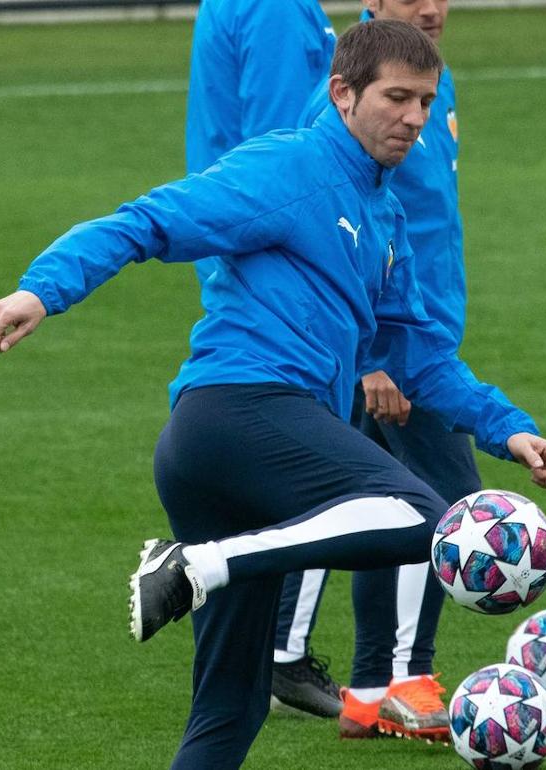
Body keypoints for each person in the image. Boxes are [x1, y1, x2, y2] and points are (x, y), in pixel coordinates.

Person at [0, 21, 546, 770]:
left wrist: (507, 428)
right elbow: (149, 221)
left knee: (231, 707)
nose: (414, 119)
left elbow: (416, 354)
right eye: (396, 98)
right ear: (342, 94)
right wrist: (42, 289)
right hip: (238, 415)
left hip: (235, 453)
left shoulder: (384, 216)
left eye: (425, 101)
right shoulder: (289, 168)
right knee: (426, 516)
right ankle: (199, 564)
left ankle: (206, 562)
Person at [277, 0, 472, 743]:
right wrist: (369, 363)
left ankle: (361, 693)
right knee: (444, 503)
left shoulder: (425, 77)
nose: (431, 6)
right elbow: (324, 226)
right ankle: (399, 678)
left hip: (420, 338)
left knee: (371, 510)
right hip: (385, 355)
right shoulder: (353, 86)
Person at [183, 0, 344, 719]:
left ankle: (237, 644)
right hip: (277, 254)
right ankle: (275, 648)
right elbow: (287, 148)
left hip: (245, 242)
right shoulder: (278, 7)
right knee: (335, 469)